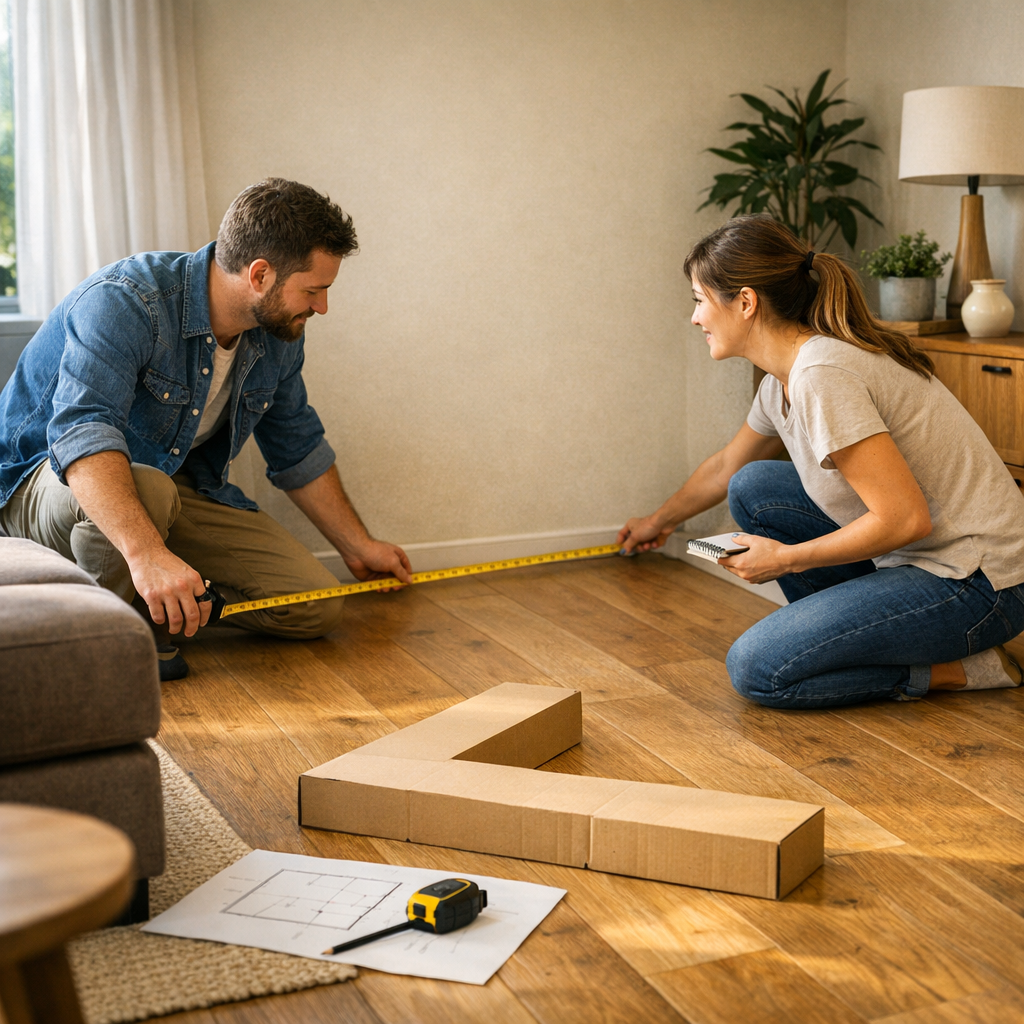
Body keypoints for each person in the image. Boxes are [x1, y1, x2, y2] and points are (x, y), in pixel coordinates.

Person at [0, 178, 412, 680]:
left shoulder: (278, 335)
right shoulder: (128, 300)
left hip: (165, 485)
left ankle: (168, 607)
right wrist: (149, 555)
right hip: (39, 484)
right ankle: (111, 641)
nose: (321, 307)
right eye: (314, 289)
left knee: (313, 606)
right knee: (147, 484)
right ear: (259, 274)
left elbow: (296, 443)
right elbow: (82, 433)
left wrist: (357, 545)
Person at [618, 215, 1024, 708]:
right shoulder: (782, 381)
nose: (695, 317)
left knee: (760, 669)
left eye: (700, 301)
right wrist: (655, 523)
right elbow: (727, 467)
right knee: (753, 484)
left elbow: (906, 518)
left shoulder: (822, 375)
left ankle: (962, 669)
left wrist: (783, 559)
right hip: (916, 559)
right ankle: (845, 636)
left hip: (981, 585)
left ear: (745, 302)